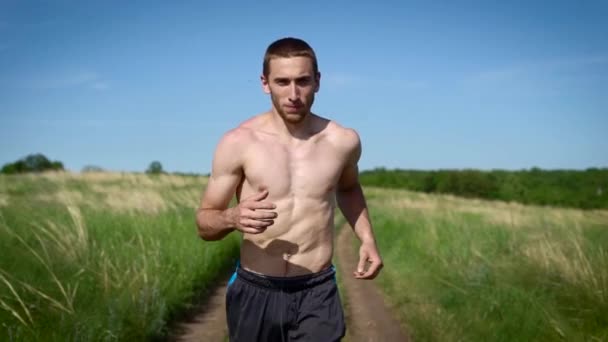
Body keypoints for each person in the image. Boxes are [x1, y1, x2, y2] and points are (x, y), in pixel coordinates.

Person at [196, 37, 383, 342]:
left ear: (318, 81)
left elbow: (348, 189)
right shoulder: (238, 142)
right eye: (282, 82)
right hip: (256, 290)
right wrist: (231, 218)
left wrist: (367, 238)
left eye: (303, 81)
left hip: (316, 291)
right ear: (264, 83)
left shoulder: (343, 141)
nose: (293, 94)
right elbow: (204, 223)